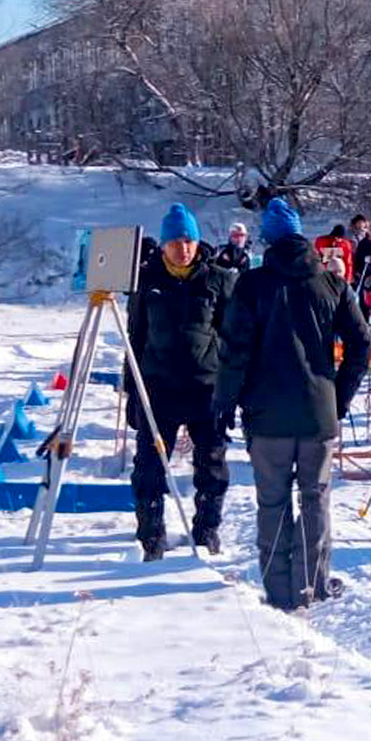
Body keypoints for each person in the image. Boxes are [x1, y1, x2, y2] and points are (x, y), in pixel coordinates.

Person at [214, 198, 371, 611]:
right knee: (315, 498)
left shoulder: (251, 285)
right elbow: (362, 343)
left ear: (266, 238)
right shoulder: (332, 284)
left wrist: (225, 402)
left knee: (273, 502)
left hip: (266, 415)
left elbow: (234, 352)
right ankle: (311, 584)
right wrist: (339, 395)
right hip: (318, 412)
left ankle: (278, 590)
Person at [126, 204, 237, 560]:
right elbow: (135, 337)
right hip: (158, 389)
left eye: (188, 240)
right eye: (175, 241)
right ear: (164, 246)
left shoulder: (218, 278)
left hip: (207, 388)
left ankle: (207, 529)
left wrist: (231, 390)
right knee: (149, 467)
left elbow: (234, 336)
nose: (183, 248)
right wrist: (132, 391)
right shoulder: (146, 281)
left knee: (213, 464)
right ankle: (151, 534)